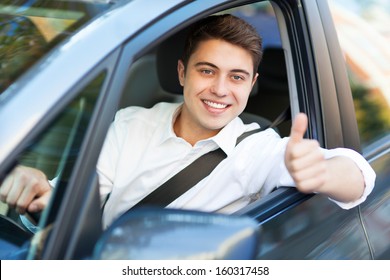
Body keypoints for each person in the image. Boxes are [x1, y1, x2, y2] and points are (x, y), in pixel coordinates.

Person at [0, 14, 376, 230]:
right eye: (207, 70)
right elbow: (81, 197)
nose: (220, 89)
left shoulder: (255, 150)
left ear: (252, 85)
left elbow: (360, 177)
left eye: (237, 77)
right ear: (182, 72)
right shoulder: (130, 123)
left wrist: (322, 174)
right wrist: (39, 193)